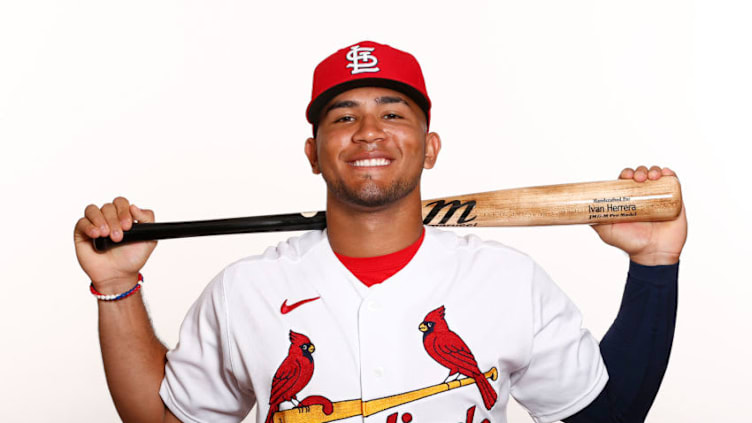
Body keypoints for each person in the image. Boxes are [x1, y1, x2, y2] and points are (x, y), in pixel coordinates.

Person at [74, 41, 687, 423]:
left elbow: (605, 418)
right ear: (314, 153)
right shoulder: (247, 290)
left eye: (393, 113)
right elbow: (160, 419)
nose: (369, 132)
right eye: (345, 116)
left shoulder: (508, 281)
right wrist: (117, 286)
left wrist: (654, 266)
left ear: (430, 147)